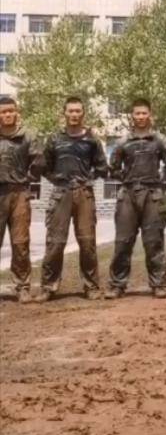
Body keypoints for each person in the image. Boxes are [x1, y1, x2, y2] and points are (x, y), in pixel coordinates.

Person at [105, 99, 166, 300]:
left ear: (150, 115)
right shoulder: (123, 142)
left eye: (144, 113)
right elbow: (113, 168)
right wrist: (126, 180)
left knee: (154, 242)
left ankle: (158, 284)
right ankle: (117, 285)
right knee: (123, 242)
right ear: (132, 116)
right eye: (137, 114)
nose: (140, 117)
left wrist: (161, 179)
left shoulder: (159, 140)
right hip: (128, 195)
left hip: (152, 196)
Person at [38, 96, 108, 301]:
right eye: (71, 111)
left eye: (78, 111)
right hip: (60, 194)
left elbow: (102, 167)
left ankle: (91, 286)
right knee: (55, 242)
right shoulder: (54, 139)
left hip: (84, 194)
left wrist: (87, 181)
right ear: (65, 113)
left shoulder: (92, 140)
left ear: (83, 113)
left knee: (87, 242)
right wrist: (58, 181)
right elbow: (44, 166)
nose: (74, 115)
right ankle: (48, 286)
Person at [0, 95, 43, 303]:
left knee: (20, 242)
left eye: (11, 111)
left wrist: (28, 179)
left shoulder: (28, 136)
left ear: (17, 112)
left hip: (19, 194)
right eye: (3, 111)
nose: (7, 114)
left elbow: (38, 161)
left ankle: (22, 287)